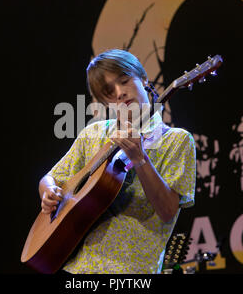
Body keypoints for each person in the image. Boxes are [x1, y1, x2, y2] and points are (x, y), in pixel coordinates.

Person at [39, 49, 196, 274]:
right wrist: (48, 192)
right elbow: (51, 177)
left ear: (143, 78)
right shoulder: (93, 134)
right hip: (77, 269)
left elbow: (168, 210)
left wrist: (139, 159)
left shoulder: (177, 140)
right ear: (104, 101)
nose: (120, 93)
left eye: (125, 80)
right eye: (109, 92)